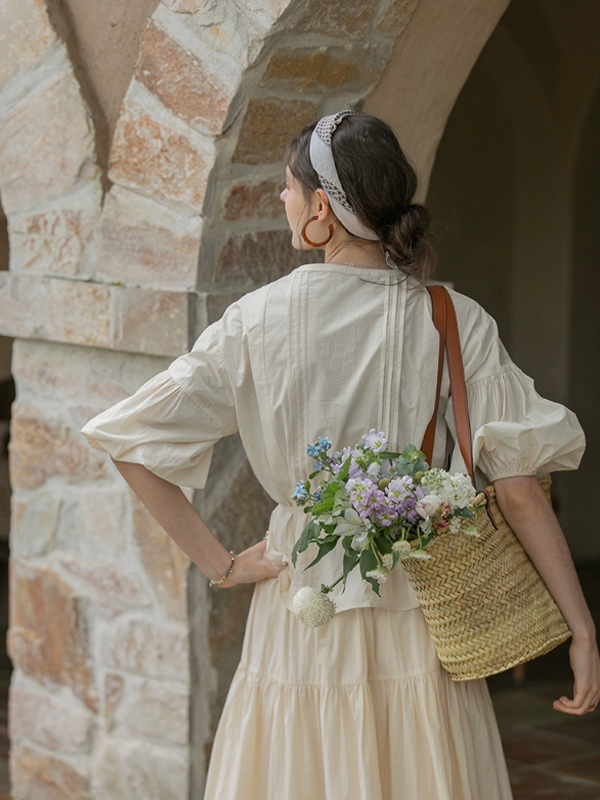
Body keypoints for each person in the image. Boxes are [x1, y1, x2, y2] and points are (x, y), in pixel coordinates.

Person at [81, 110, 600, 799]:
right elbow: (519, 490)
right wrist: (582, 626)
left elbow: (129, 438)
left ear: (322, 209)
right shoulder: (453, 317)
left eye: (289, 190)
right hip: (422, 615)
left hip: (299, 610)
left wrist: (226, 565)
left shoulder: (254, 321)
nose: (281, 200)